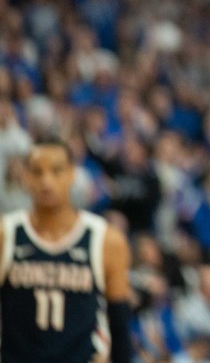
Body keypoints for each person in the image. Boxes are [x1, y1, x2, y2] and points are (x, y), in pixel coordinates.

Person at [0, 137, 134, 363]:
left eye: (56, 171)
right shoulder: (6, 234)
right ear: (25, 177)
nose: (46, 181)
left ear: (72, 174)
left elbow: (120, 326)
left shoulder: (106, 240)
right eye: (37, 172)